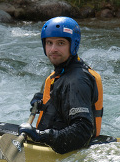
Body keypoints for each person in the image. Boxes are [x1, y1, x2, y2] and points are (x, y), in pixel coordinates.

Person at [18, 16, 104, 154]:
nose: (53, 49)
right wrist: (45, 103)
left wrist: (41, 136)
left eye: (61, 43)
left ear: (73, 45)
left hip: (67, 154)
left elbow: (83, 131)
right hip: (56, 145)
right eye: (49, 43)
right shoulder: (60, 74)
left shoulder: (77, 80)